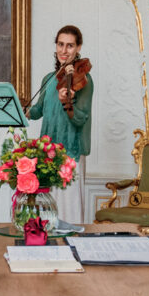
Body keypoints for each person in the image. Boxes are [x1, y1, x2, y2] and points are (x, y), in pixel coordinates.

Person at [27, 25, 94, 224]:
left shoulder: (84, 80)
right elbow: (38, 110)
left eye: (70, 46)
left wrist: (68, 102)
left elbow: (80, 118)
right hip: (47, 151)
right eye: (60, 44)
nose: (64, 50)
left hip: (69, 153)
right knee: (46, 211)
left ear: (78, 47)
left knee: (67, 213)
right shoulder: (49, 79)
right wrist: (19, 111)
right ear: (55, 46)